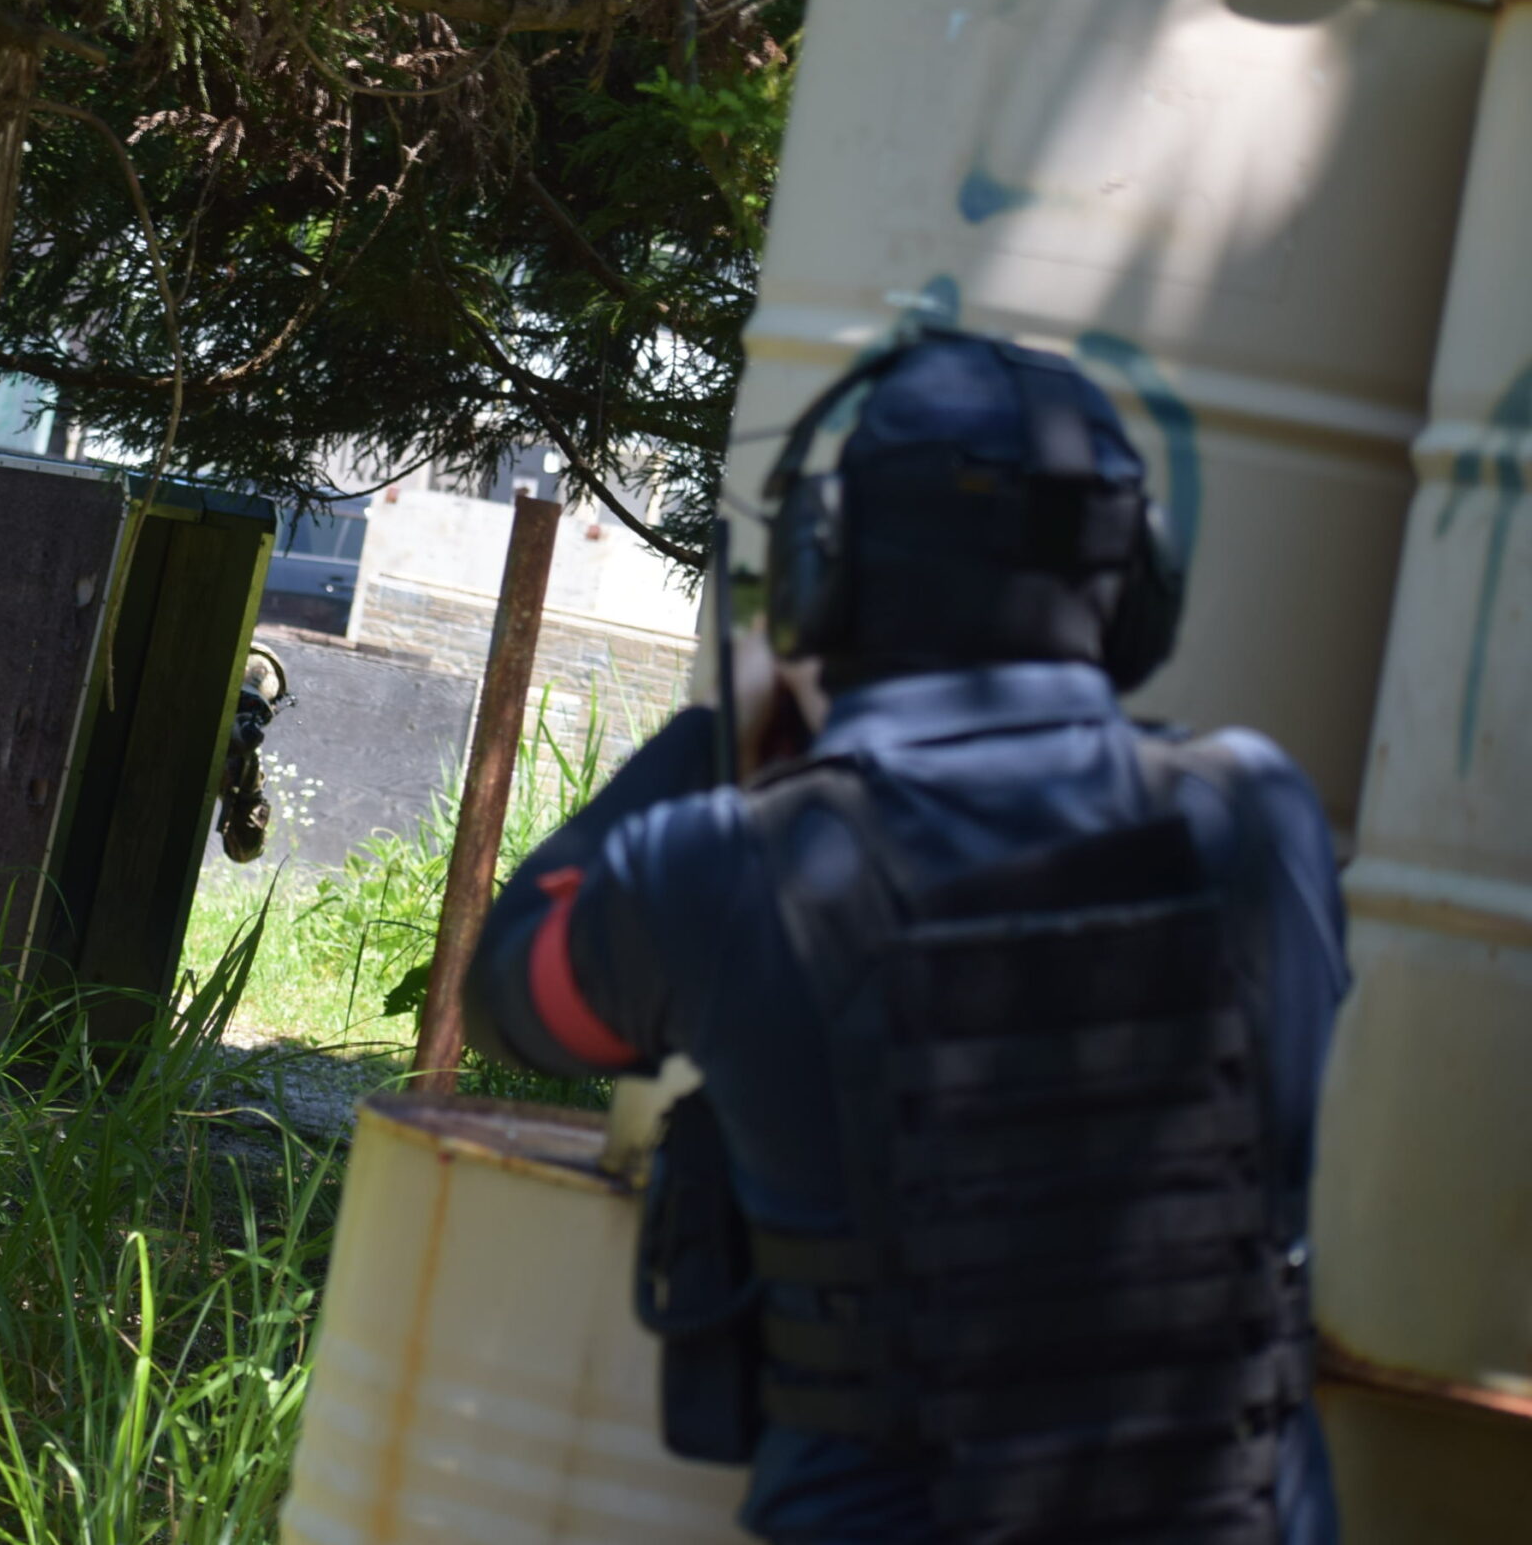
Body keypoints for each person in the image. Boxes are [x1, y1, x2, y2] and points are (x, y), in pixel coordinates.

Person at [465, 327, 1346, 1545]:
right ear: (1138, 580)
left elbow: (510, 997)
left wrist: (708, 749)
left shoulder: (732, 867)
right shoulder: (1260, 816)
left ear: (823, 568)